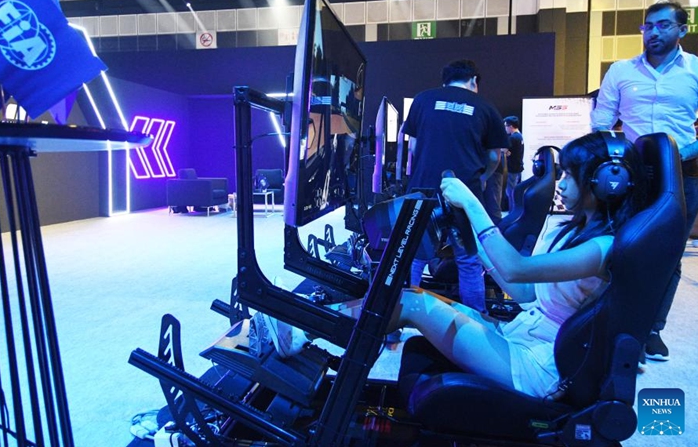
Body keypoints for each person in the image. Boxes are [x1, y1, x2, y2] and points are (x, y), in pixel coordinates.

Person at [253, 131, 648, 399]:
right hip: (527, 335)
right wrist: (469, 231)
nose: (561, 184)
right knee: (416, 294)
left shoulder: (603, 247)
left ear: (607, 183)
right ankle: (305, 323)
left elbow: (516, 272)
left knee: (412, 304)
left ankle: (299, 329)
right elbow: (525, 292)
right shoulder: (574, 231)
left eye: (571, 177)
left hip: (541, 368)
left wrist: (471, 203)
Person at [590, 0, 698, 362]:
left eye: (663, 25)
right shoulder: (621, 71)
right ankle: (617, 322)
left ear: (682, 29)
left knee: (669, 254)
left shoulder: (695, 70)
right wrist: (613, 156)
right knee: (621, 247)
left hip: (683, 175)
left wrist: (686, 151)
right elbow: (601, 121)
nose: (653, 32)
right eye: (648, 26)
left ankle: (651, 330)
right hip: (632, 176)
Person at [404, 59, 508, 313]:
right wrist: (482, 178)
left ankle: (398, 321)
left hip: (424, 193)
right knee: (469, 262)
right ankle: (477, 319)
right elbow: (495, 156)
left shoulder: (423, 99)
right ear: (474, 81)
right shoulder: (486, 107)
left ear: (445, 81)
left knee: (414, 259)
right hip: (464, 195)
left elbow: (413, 147)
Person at [504, 116, 525, 212]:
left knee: (511, 192)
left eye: (505, 126)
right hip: (517, 167)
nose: (505, 129)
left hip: (512, 168)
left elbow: (503, 150)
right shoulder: (519, 136)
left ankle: (512, 212)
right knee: (513, 191)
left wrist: (504, 151)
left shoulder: (513, 138)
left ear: (510, 126)